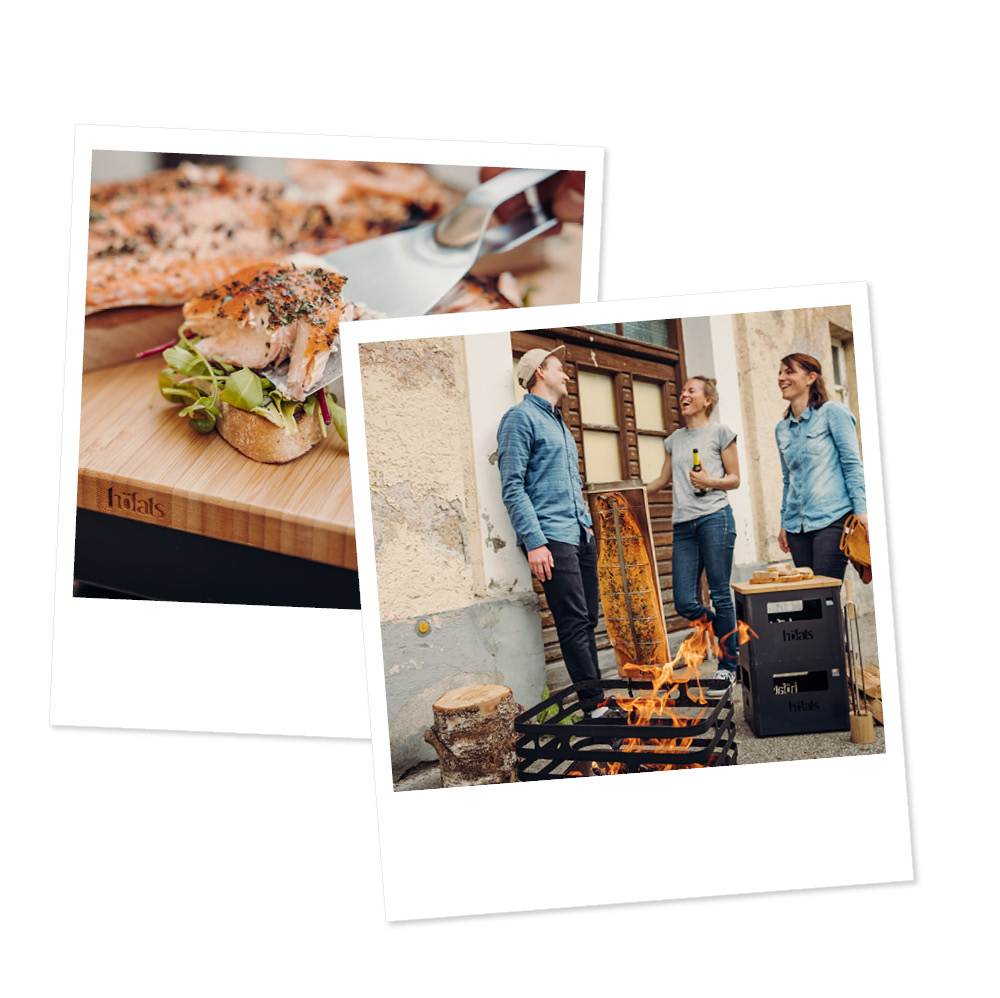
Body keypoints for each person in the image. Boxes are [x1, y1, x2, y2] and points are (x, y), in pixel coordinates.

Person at [497, 345, 617, 718]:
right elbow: (512, 486)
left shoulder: (559, 423)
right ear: (540, 373)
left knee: (588, 620)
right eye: (559, 368)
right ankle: (593, 707)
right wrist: (535, 543)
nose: (566, 374)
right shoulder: (519, 419)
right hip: (551, 537)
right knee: (572, 622)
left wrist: (590, 531)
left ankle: (594, 697)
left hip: (580, 534)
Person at [646, 376, 742, 686]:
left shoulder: (720, 433)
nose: (683, 394)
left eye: (691, 390)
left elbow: (734, 478)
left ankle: (729, 663)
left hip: (716, 518)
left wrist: (710, 481)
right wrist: (628, 495)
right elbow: (662, 481)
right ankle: (729, 631)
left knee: (719, 594)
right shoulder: (674, 439)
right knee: (684, 601)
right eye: (683, 390)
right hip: (684, 526)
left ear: (706, 400)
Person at [775, 353, 868, 580]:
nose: (781, 378)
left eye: (789, 372)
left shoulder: (833, 413)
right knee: (810, 602)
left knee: (825, 595)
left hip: (833, 519)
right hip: (797, 528)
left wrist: (862, 512)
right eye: (780, 373)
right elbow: (788, 480)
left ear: (810, 378)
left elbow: (852, 465)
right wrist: (785, 523)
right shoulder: (781, 429)